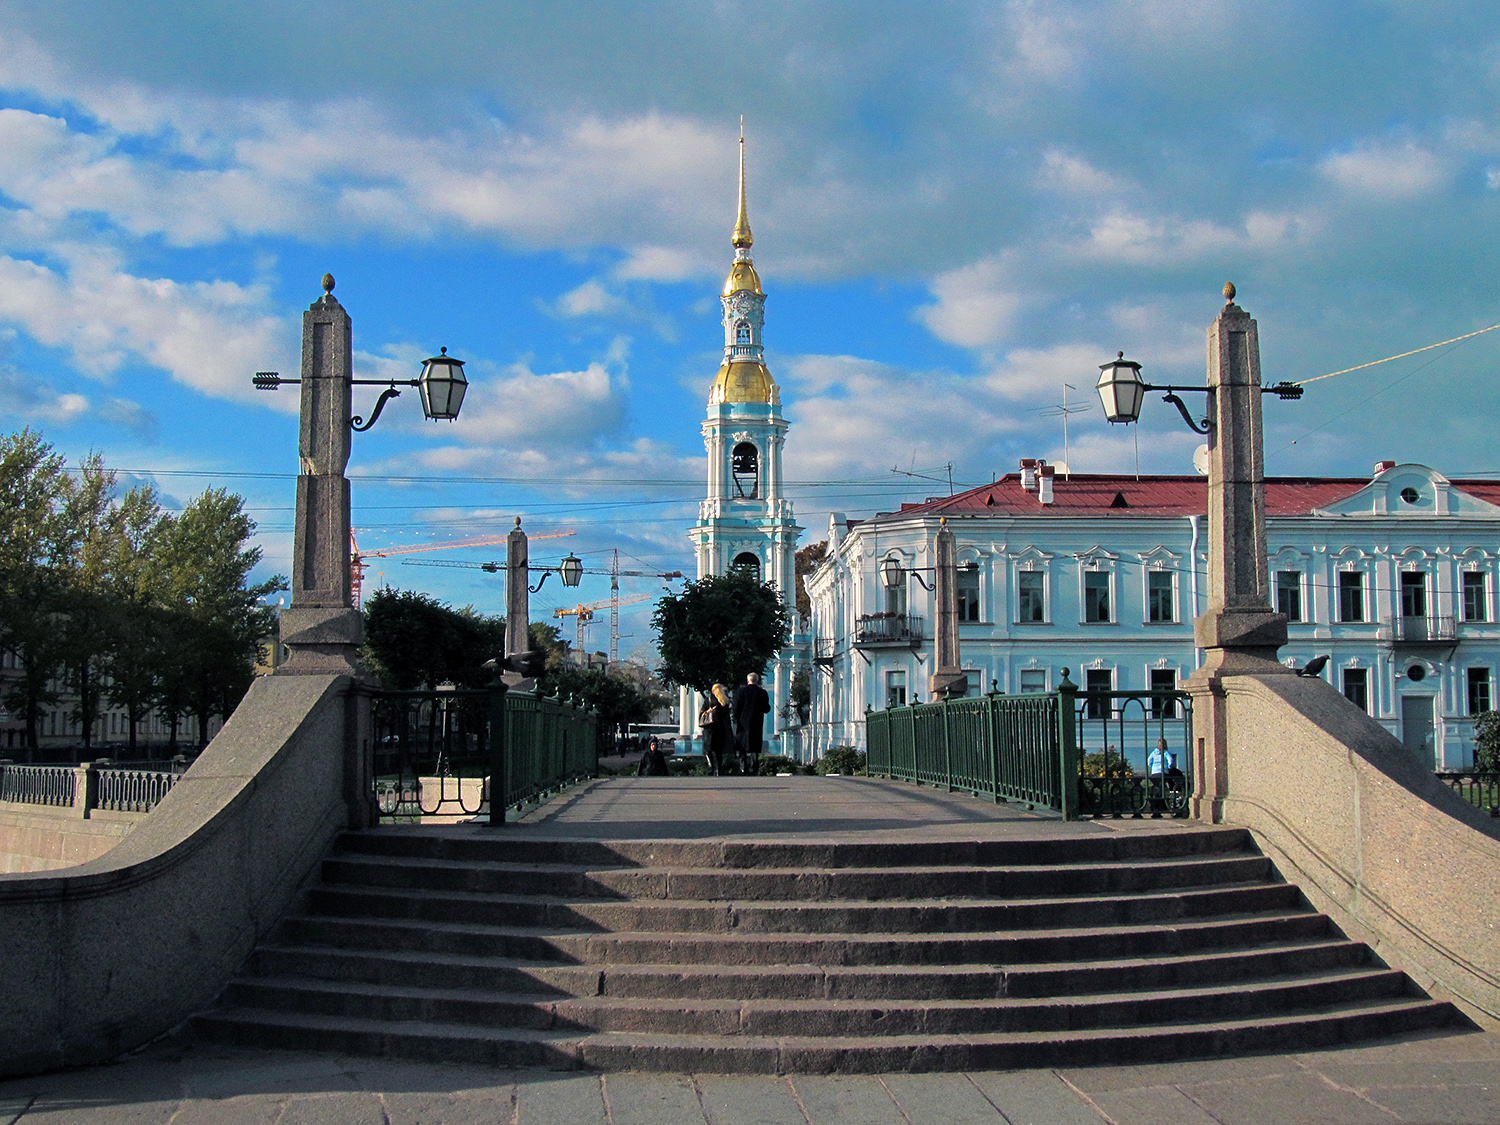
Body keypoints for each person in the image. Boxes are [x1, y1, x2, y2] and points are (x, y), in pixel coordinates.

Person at [732, 672, 772, 777]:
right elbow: (766, 708)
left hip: (742, 723)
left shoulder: (740, 692)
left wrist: (736, 720)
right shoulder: (762, 693)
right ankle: (754, 768)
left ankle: (743, 768)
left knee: (742, 746)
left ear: (747, 680)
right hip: (756, 723)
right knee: (755, 746)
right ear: (757, 681)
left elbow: (735, 708)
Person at [700, 684, 732, 775]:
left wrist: (708, 711)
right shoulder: (724, 702)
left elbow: (702, 712)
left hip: (709, 729)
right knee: (718, 752)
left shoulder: (708, 700)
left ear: (713, 691)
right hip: (720, 729)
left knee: (708, 750)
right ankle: (719, 769)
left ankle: (711, 768)